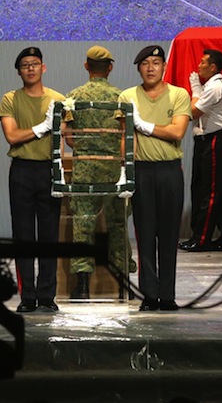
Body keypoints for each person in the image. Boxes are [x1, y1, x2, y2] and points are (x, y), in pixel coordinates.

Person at [117, 45, 191, 311]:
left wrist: (145, 125)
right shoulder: (128, 96)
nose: (151, 67)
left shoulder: (178, 94)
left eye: (156, 62)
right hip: (142, 171)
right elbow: (127, 137)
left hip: (170, 170)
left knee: (169, 235)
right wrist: (126, 170)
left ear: (163, 67)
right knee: (145, 234)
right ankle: (149, 295)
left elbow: (177, 132)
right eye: (146, 63)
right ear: (138, 67)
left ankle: (167, 295)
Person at [63, 45, 137, 300]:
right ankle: (123, 284)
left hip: (84, 170)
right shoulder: (121, 97)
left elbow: (68, 137)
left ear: (86, 66)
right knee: (118, 225)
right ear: (110, 68)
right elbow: (126, 135)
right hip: (114, 170)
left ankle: (82, 286)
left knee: (83, 225)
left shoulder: (73, 96)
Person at [0, 47, 65, 313]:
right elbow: (12, 136)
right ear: (19, 71)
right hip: (22, 170)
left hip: (49, 169)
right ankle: (28, 296)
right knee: (23, 236)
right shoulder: (10, 99)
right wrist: (41, 128)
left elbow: (69, 136)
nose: (30, 68)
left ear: (43, 67)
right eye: (25, 65)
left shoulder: (58, 99)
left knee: (49, 237)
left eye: (35, 63)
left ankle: (47, 295)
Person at [179, 49, 222, 252]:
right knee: (220, 192)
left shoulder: (214, 87)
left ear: (213, 67)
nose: (198, 66)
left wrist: (195, 90)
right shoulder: (215, 85)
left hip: (215, 141)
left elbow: (192, 111)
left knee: (209, 192)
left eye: (203, 62)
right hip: (212, 140)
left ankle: (201, 238)